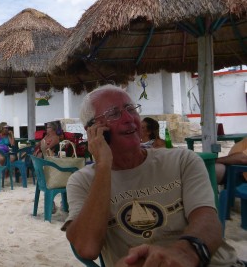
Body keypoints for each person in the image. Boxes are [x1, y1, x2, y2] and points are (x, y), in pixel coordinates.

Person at [62, 85, 242, 267]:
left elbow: (208, 220)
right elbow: (87, 248)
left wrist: (183, 254)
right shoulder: (82, 181)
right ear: (93, 130)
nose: (129, 118)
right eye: (113, 113)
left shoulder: (181, 160)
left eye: (131, 109)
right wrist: (103, 166)